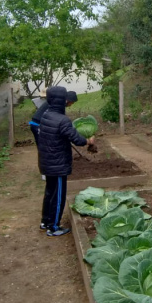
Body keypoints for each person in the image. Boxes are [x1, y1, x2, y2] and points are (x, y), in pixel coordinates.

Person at [37, 86, 94, 236]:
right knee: (59, 196)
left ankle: (45, 222)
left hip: (47, 162)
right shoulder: (62, 120)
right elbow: (76, 139)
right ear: (61, 100)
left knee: (50, 193)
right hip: (58, 165)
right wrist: (88, 141)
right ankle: (54, 227)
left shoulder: (46, 115)